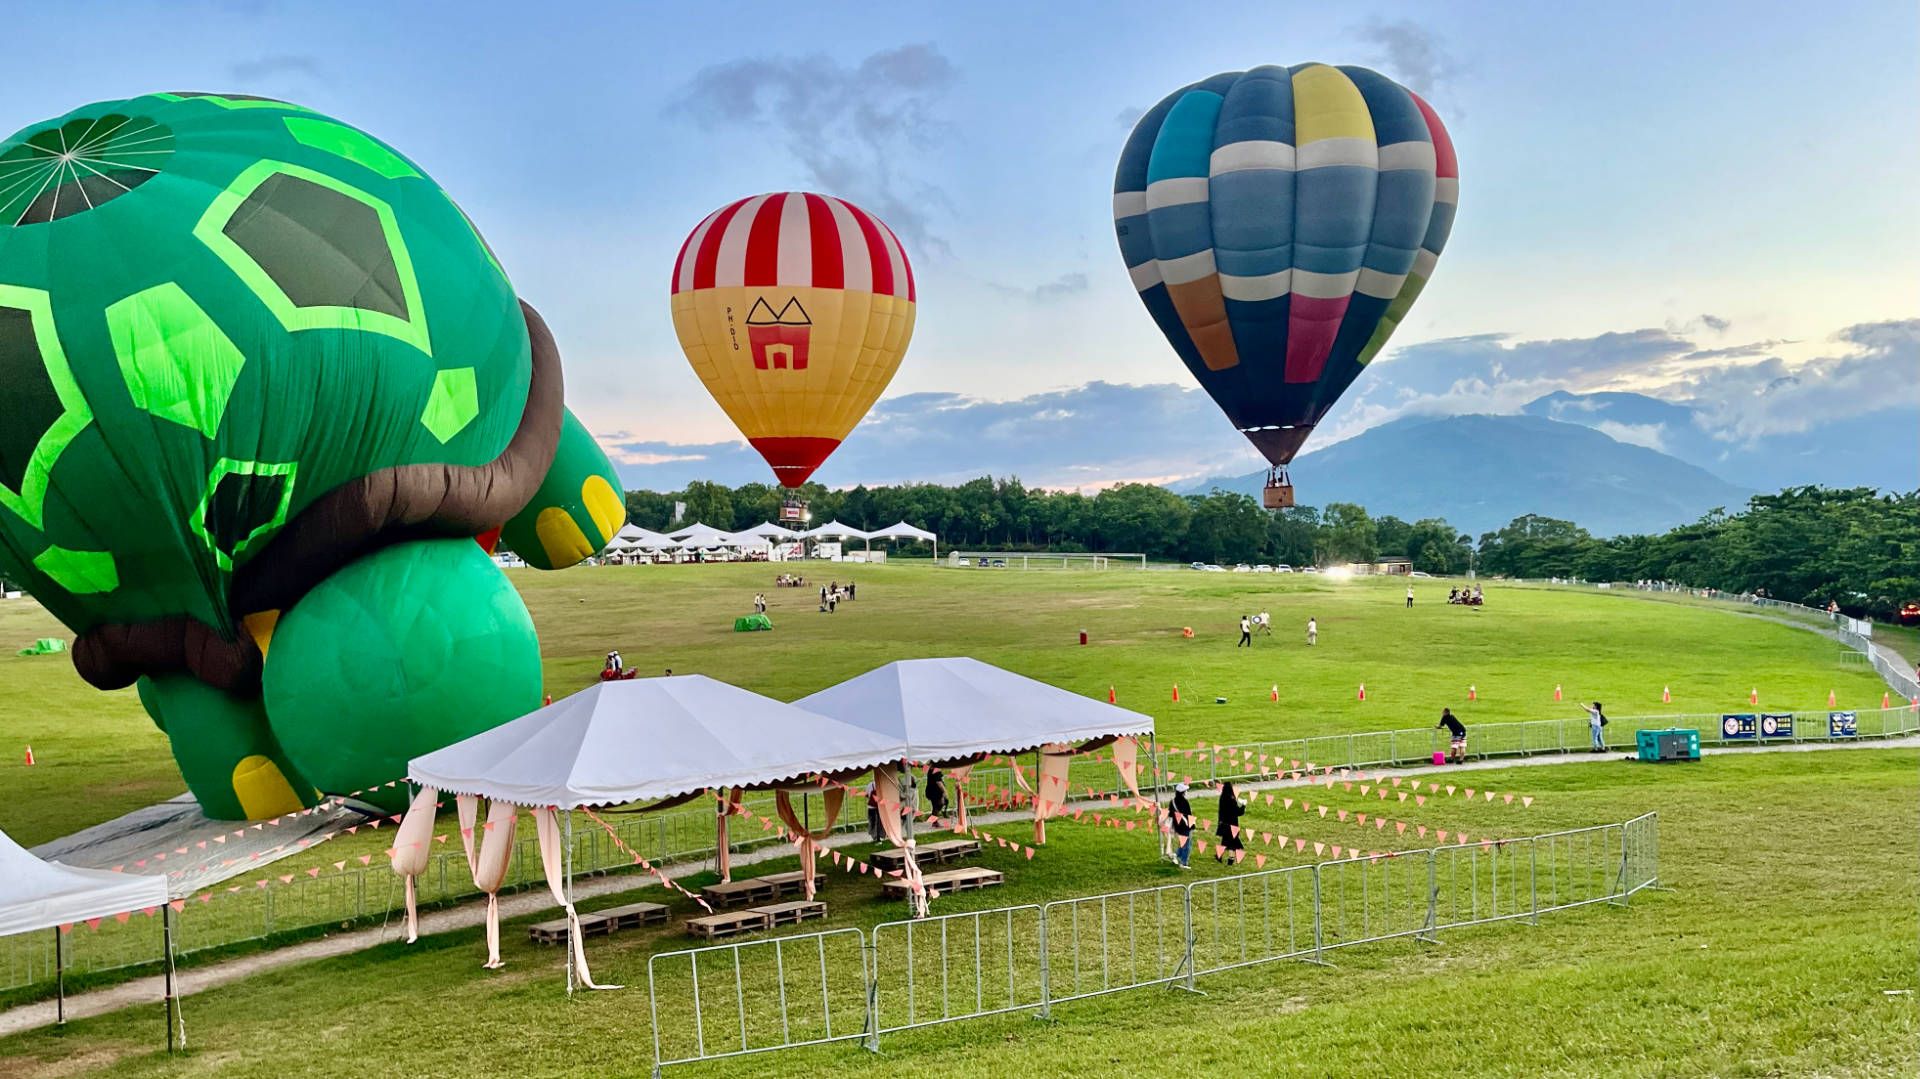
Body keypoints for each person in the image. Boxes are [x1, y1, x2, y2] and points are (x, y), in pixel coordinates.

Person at [1214, 780, 1246, 864]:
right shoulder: (1231, 799)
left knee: (1226, 841)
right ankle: (1230, 859)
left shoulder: (1222, 797)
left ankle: (1219, 856)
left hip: (1224, 823)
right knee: (1232, 842)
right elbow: (1238, 812)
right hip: (1232, 825)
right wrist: (1243, 806)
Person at [1169, 783, 1194, 868]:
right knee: (1187, 845)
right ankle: (1183, 863)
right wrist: (1192, 826)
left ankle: (1176, 854)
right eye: (1186, 790)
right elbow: (1189, 815)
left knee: (1183, 842)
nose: (1186, 792)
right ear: (1183, 792)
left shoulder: (1172, 801)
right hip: (1185, 826)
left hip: (1177, 826)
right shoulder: (1185, 802)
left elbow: (1171, 815)